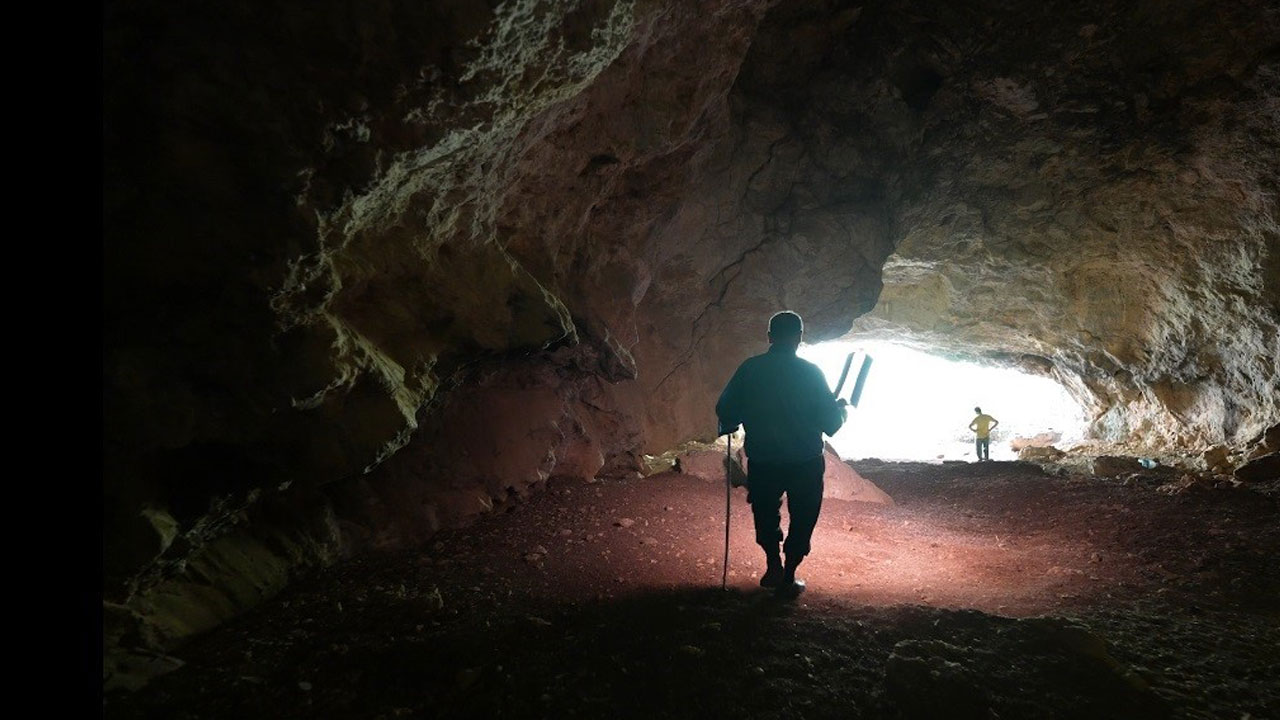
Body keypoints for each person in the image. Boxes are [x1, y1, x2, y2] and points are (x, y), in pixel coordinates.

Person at [715, 311, 847, 597]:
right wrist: (841, 411)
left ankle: (772, 564)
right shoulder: (811, 373)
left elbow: (726, 411)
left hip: (764, 459)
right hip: (805, 461)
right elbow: (831, 425)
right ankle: (789, 575)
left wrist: (736, 420)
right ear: (800, 337)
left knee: (764, 511)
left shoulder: (750, 369)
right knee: (804, 515)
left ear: (769, 337)